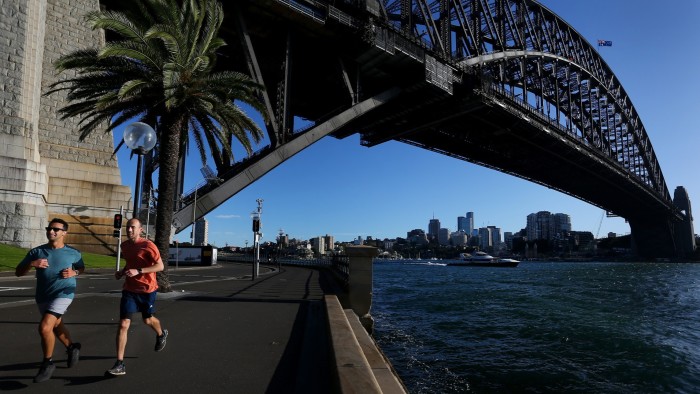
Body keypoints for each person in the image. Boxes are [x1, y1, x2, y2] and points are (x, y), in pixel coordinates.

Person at [15, 218, 84, 383]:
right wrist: (32, 264)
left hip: (64, 293)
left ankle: (47, 363)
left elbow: (81, 267)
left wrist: (75, 273)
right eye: (49, 228)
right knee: (56, 325)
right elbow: (18, 272)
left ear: (64, 233)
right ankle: (72, 347)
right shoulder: (36, 252)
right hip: (43, 295)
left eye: (55, 229)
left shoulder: (73, 253)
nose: (51, 231)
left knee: (45, 327)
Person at [107, 218, 168, 376]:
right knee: (123, 324)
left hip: (147, 290)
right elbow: (130, 263)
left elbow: (160, 266)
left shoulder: (148, 245)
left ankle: (161, 334)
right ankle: (120, 363)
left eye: (132, 227)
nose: (129, 230)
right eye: (127, 227)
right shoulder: (125, 245)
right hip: (129, 290)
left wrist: (139, 271)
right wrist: (122, 272)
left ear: (141, 230)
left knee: (147, 320)